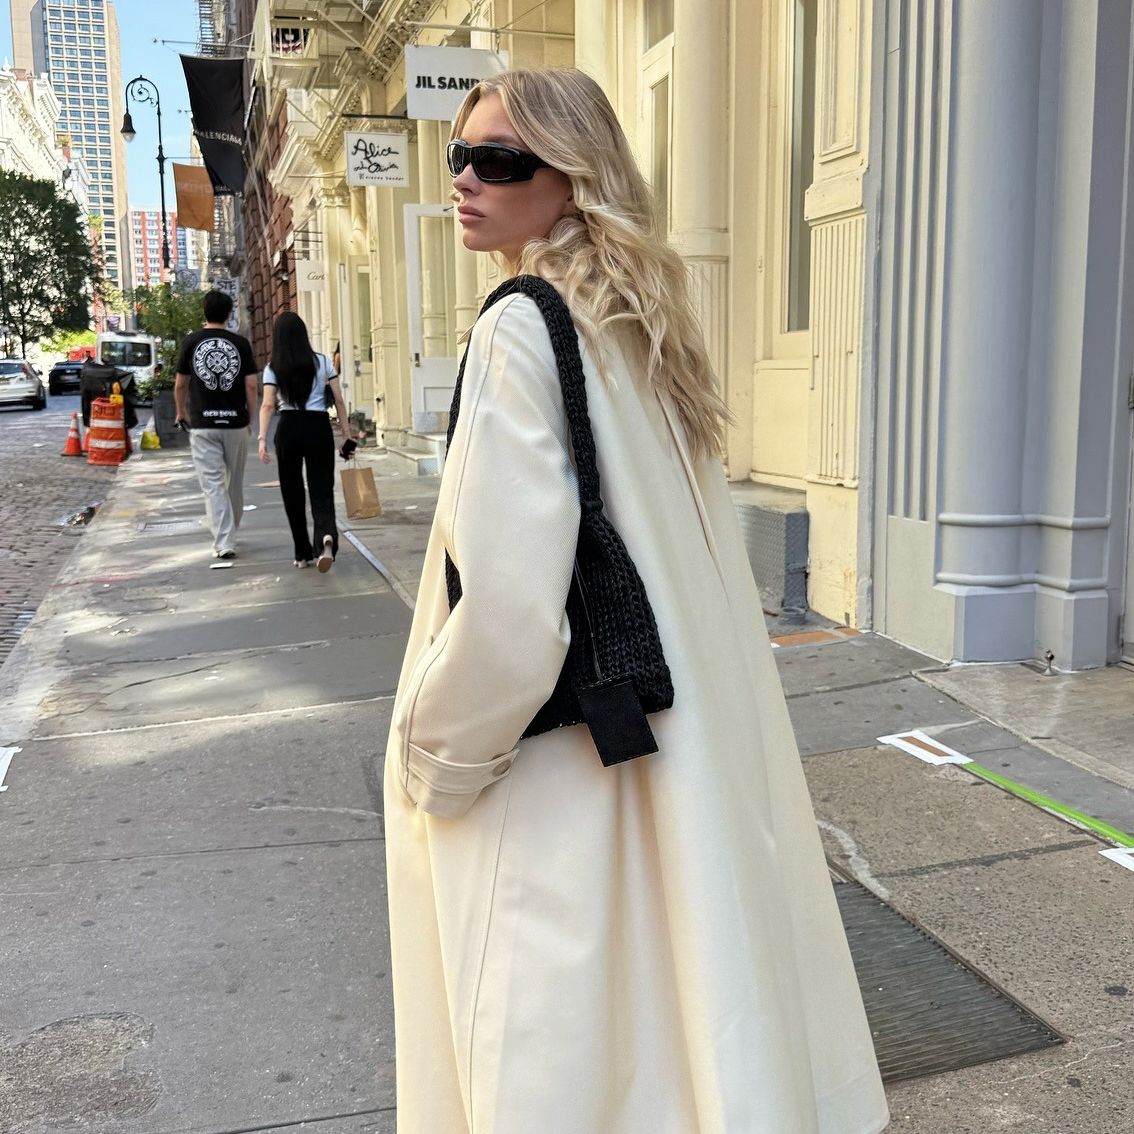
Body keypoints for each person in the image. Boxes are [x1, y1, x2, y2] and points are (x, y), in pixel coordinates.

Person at [383, 68, 890, 1134]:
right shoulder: (640, 327)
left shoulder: (524, 328)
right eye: (460, 156)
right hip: (670, 739)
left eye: (502, 160)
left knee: (556, 1044)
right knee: (676, 1023)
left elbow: (511, 611)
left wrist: (432, 754)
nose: (468, 180)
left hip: (562, 764)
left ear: (572, 180)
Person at [257, 312, 351, 571]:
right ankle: (326, 538)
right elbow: (339, 401)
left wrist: (262, 439)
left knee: (292, 491)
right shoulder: (322, 362)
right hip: (318, 427)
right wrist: (346, 434)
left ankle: (302, 553)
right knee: (322, 487)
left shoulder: (273, 367)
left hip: (288, 428)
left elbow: (267, 405)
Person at [175, 290, 259, 562]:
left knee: (213, 484)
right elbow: (250, 384)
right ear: (229, 313)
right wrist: (251, 416)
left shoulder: (192, 341)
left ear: (204, 311)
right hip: (235, 423)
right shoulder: (240, 343)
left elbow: (180, 384)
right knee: (234, 482)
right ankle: (230, 530)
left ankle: (224, 540)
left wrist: (180, 412)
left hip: (203, 423)